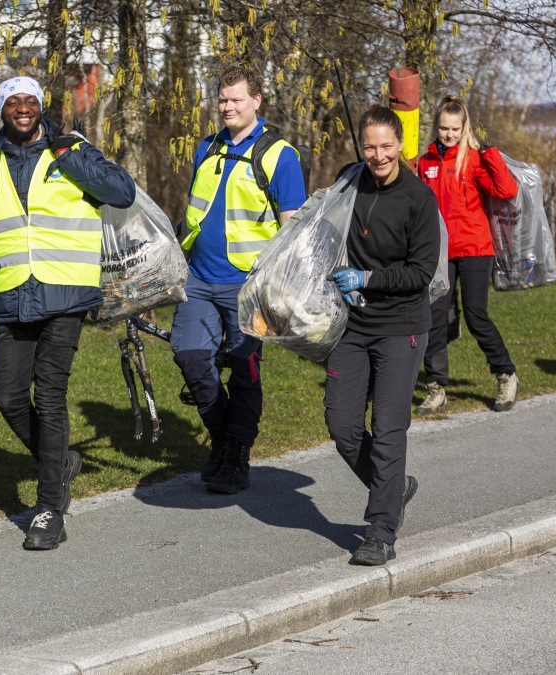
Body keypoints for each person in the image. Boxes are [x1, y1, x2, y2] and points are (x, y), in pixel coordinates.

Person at [0, 76, 135, 550]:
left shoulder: (70, 149)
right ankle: (60, 461)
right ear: (2, 111)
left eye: (31, 101)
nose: (23, 108)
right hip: (13, 297)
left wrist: (70, 156)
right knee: (8, 396)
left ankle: (50, 507)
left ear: (40, 107)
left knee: (49, 396)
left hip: (67, 294)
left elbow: (122, 192)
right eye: (14, 102)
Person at [171, 62, 306, 494]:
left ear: (256, 101)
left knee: (244, 372)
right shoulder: (206, 148)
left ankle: (238, 457)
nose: (227, 107)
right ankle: (222, 439)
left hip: (248, 287)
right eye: (222, 99)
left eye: (236, 100)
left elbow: (293, 230)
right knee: (191, 357)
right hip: (197, 280)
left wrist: (281, 289)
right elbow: (196, 213)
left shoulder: (279, 155)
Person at [324, 105, 439, 566]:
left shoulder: (418, 198)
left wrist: (366, 279)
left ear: (400, 146)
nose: (378, 155)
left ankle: (380, 530)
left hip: (402, 327)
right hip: (353, 325)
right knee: (343, 425)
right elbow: (325, 234)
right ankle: (394, 485)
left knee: (389, 430)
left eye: (386, 146)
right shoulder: (348, 182)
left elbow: (421, 272)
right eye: (370, 147)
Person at [416, 95, 521, 414]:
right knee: (434, 318)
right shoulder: (426, 162)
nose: (449, 134)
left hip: (476, 248)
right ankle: (436, 387)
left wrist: (489, 153)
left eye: (455, 129)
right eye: (444, 128)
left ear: (465, 128)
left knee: (476, 315)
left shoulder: (475, 158)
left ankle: (506, 374)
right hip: (441, 251)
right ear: (437, 127)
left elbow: (507, 190)